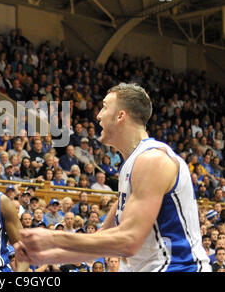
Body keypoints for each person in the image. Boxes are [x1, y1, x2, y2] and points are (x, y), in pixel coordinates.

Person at [15, 83, 211, 272]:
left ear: (120, 116)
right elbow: (101, 242)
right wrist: (45, 256)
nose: (98, 116)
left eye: (104, 108)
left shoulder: (152, 159)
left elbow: (129, 241)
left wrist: (52, 238)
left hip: (179, 267)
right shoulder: (131, 166)